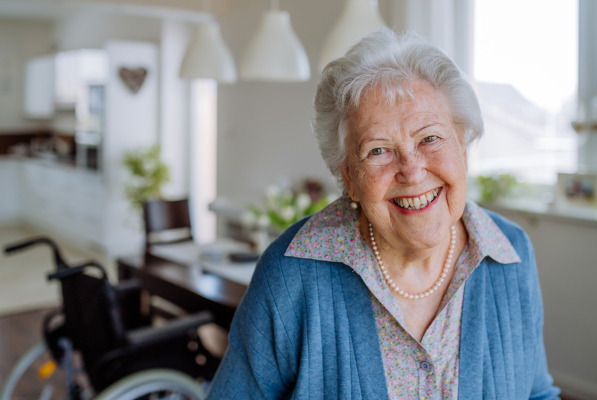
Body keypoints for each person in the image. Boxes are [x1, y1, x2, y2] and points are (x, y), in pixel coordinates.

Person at [206, 28, 560, 399]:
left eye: (430, 138)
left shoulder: (510, 253)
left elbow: (536, 392)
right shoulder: (291, 276)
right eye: (378, 150)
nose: (412, 170)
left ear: (463, 149)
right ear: (349, 179)